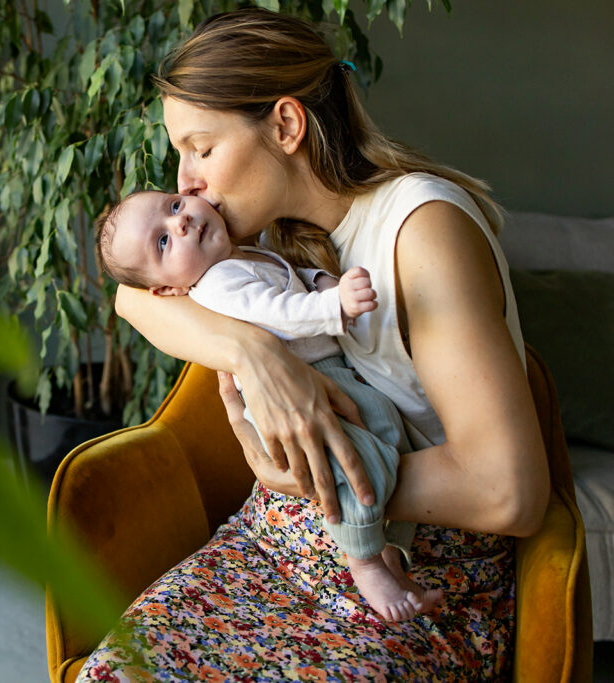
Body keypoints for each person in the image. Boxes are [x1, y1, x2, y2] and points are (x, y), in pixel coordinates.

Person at [78, 7, 549, 681]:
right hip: (277, 546)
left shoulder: (421, 232)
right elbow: (132, 296)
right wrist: (253, 352)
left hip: (415, 576)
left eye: (201, 148)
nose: (183, 182)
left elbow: (510, 492)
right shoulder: (272, 239)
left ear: (287, 126)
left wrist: (307, 478)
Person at [94, 189, 444, 622]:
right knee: (351, 462)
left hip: (331, 375)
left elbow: (290, 276)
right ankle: (365, 562)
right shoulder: (218, 284)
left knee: (389, 429)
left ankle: (387, 547)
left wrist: (320, 280)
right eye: (163, 242)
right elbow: (278, 310)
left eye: (174, 205)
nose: (180, 222)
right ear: (169, 288)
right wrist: (333, 305)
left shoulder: (249, 254)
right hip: (290, 397)